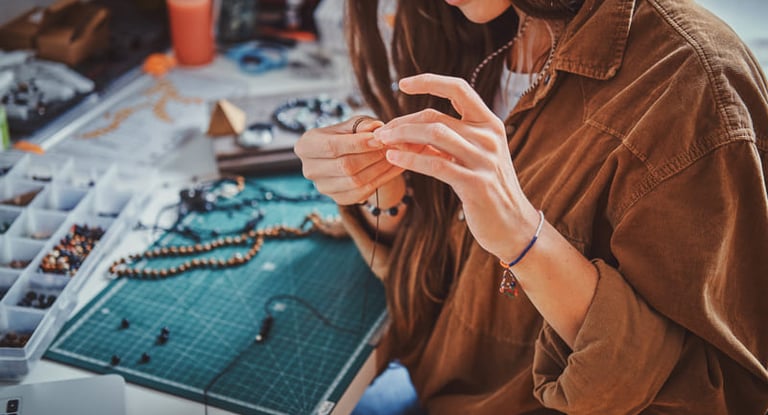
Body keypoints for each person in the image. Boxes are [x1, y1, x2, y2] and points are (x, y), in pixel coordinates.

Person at [294, 0, 768, 413]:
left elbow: (723, 396)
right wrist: (382, 191)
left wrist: (524, 238)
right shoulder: (487, 29)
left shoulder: (693, 85)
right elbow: (450, 271)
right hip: (435, 389)